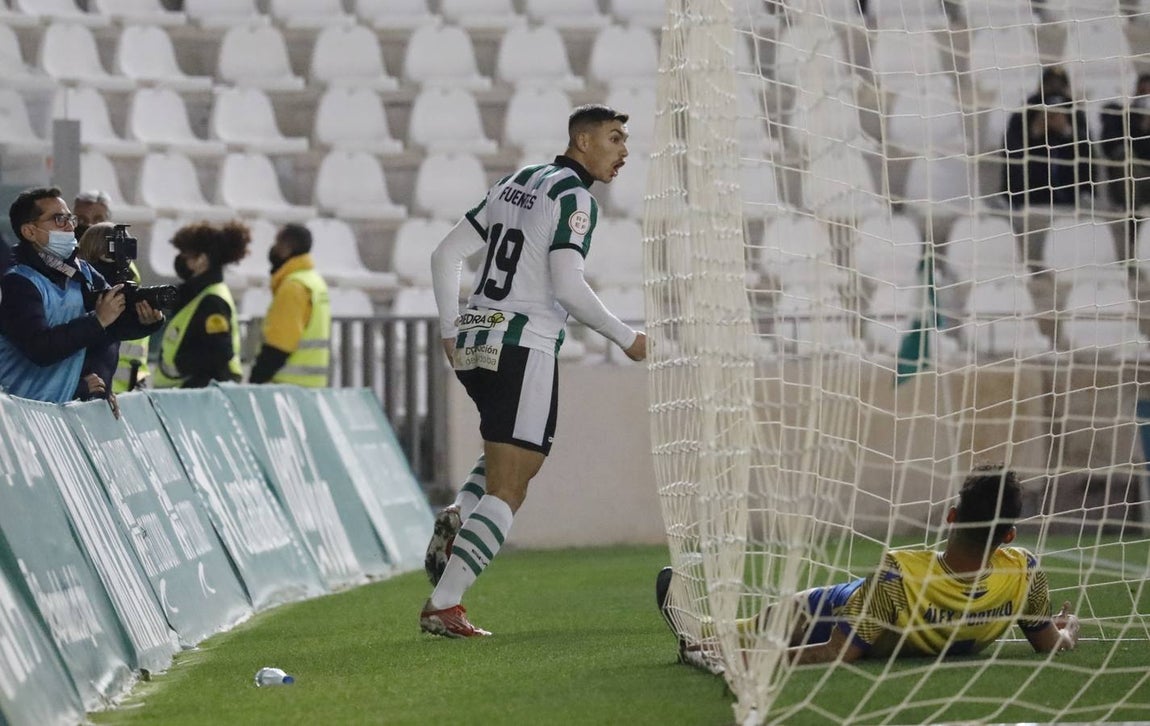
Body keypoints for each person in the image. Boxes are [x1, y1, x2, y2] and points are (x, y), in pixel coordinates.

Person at [421, 103, 647, 638]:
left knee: (505, 454)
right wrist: (627, 337)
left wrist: (451, 329)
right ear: (583, 141)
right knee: (513, 485)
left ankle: (459, 512)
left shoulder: (515, 180)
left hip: (475, 342)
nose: (624, 152)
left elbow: (444, 253)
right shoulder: (576, 199)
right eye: (615, 139)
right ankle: (444, 605)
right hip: (524, 343)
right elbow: (568, 287)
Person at [656, 467, 1080, 668]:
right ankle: (696, 624)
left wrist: (742, 657)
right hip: (841, 607)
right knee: (736, 631)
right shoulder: (1022, 571)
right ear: (1009, 535)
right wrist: (1069, 626)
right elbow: (1050, 644)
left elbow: (838, 653)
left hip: (845, 616)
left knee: (744, 630)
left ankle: (705, 628)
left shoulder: (899, 569)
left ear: (951, 517)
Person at [0, 187, 163, 404]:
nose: (69, 226)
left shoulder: (81, 271)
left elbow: (112, 325)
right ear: (30, 231)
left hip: (58, 415)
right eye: (59, 219)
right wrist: (98, 321)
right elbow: (40, 349)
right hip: (18, 419)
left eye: (70, 218)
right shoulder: (17, 281)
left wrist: (146, 321)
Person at [152, 221, 249, 389]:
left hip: (197, 397)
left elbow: (219, 353)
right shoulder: (195, 294)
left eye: (186, 255)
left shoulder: (213, 301)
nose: (180, 260)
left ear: (202, 260)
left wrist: (182, 367)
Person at [74, 200, 153, 392]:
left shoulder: (127, 272)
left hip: (125, 379)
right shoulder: (74, 272)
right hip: (89, 380)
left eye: (98, 219)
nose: (90, 225)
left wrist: (151, 321)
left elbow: (124, 322)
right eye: (82, 219)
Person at [248, 223, 331, 386]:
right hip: (312, 385)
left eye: (277, 243)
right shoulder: (315, 282)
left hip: (286, 387)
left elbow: (280, 345)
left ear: (287, 247)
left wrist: (256, 380)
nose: (273, 248)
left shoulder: (293, 287)